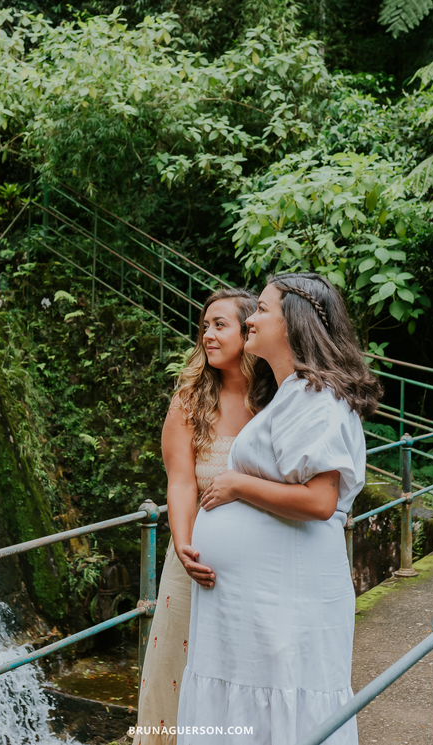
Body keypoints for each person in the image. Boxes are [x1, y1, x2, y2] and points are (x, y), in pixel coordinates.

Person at [178, 272, 382, 745]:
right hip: (260, 605)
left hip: (283, 602)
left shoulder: (315, 397)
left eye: (263, 310)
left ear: (293, 324)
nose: (253, 317)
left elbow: (320, 500)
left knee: (284, 712)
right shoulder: (292, 394)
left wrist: (237, 485)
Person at [133, 288, 276, 745]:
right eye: (206, 326)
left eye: (221, 325)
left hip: (258, 571)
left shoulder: (276, 401)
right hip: (193, 566)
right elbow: (180, 481)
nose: (209, 335)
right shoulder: (189, 400)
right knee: (174, 669)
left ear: (248, 330)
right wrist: (182, 544)